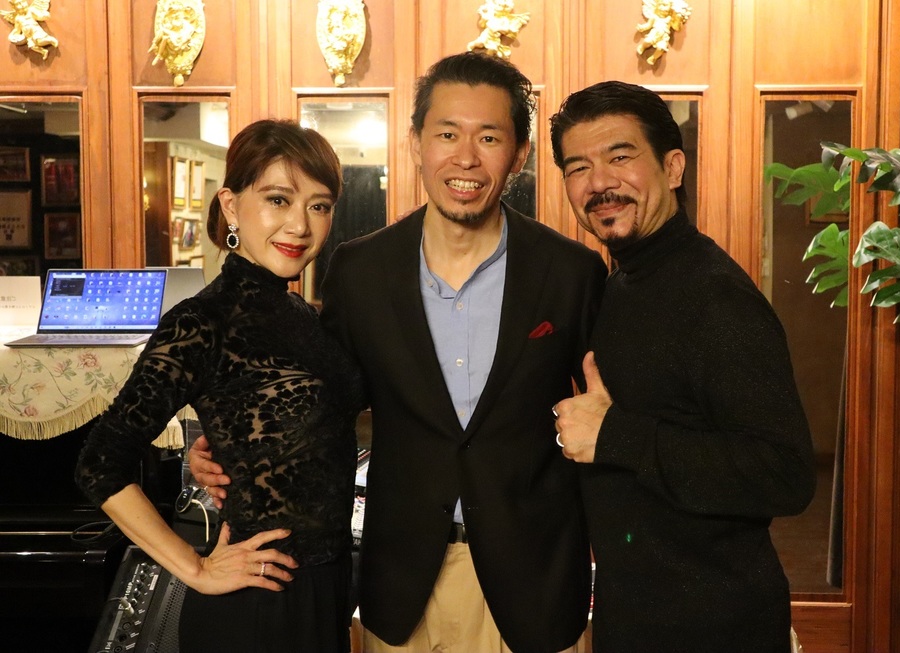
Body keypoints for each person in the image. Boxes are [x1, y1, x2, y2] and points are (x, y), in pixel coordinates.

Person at [191, 52, 608, 653]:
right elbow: (323, 398)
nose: (466, 158)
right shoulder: (359, 270)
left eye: (489, 137)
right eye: (447, 134)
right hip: (401, 583)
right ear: (415, 142)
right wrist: (232, 444)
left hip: (536, 584)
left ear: (518, 155)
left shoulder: (571, 272)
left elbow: (606, 416)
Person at [75, 119, 363, 653]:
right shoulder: (200, 323)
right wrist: (197, 569)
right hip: (257, 604)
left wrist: (227, 445)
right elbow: (99, 464)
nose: (300, 225)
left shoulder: (303, 313)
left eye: (319, 206)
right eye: (278, 200)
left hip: (326, 589)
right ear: (231, 205)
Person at [549, 81, 816, 653]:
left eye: (620, 157)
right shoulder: (623, 280)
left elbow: (785, 474)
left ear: (673, 167)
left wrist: (614, 434)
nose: (599, 183)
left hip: (715, 627)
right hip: (636, 618)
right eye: (578, 167)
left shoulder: (715, 296)